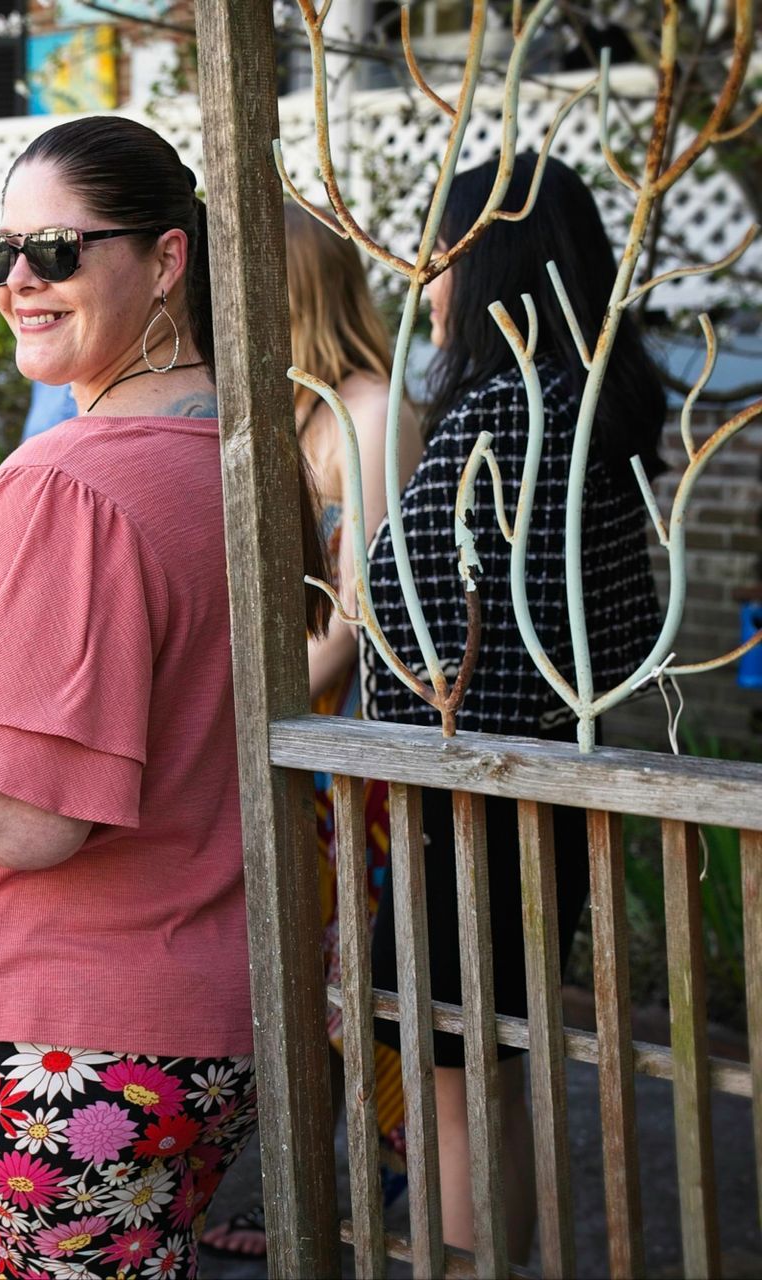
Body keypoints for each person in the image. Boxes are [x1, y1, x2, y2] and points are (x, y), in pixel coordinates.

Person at [0, 115, 330, 1280]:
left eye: (54, 250)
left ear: (164, 260)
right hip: (209, 1010)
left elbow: (22, 818)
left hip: (64, 1030)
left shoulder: (70, 484)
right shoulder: (240, 458)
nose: (17, 281)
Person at [361, 153, 664, 1263]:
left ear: (490, 261)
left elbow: (405, 601)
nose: (429, 283)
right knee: (498, 1069)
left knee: (453, 1083)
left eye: (444, 253)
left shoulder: (502, 406)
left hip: (465, 785)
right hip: (551, 769)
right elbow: (623, 611)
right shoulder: (601, 397)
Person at [201, 201, 423, 1261]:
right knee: (300, 981)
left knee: (348, 981)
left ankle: (369, 1215)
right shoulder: (274, 407)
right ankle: (312, 1205)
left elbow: (358, 616)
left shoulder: (371, 411)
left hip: (336, 740)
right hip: (275, 726)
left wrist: (261, 718)